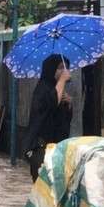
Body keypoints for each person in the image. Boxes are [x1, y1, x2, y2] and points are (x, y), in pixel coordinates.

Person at [23, 54, 73, 182]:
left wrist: (68, 104)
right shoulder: (42, 90)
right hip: (40, 148)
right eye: (60, 68)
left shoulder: (58, 90)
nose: (64, 71)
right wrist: (62, 81)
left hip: (57, 148)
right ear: (51, 69)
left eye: (66, 68)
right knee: (43, 188)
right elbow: (50, 105)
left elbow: (63, 120)